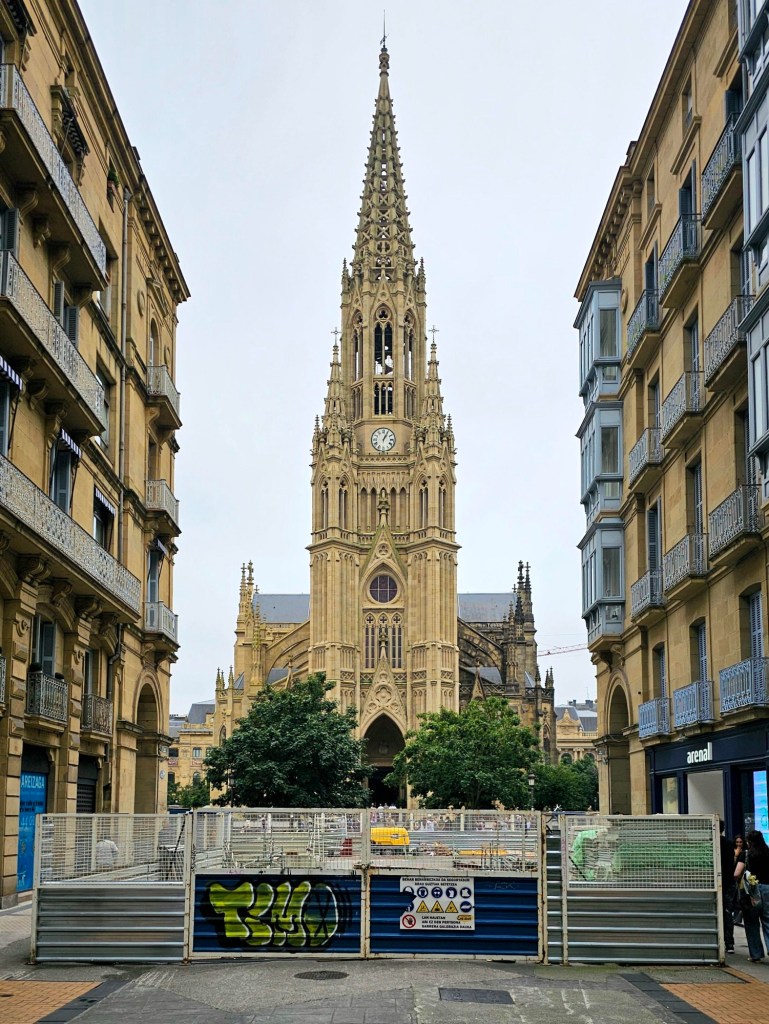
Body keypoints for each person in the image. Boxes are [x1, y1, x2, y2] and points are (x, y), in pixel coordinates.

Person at [735, 829, 769, 962]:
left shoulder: (746, 854)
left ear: (749, 842)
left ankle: (756, 954)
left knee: (751, 922)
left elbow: (737, 873)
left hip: (752, 891)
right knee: (767, 921)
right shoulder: (768, 852)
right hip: (767, 889)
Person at [718, 820, 735, 953]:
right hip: (728, 883)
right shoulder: (729, 843)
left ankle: (717, 940)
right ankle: (729, 943)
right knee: (728, 912)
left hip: (716, 882)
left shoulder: (712, 843)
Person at [733, 836, 745, 927]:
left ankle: (738, 918)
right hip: (734, 878)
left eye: (740, 842)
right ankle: (736, 918)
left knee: (740, 898)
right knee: (736, 898)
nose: (739, 844)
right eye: (737, 842)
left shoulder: (745, 853)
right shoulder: (733, 852)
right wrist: (736, 855)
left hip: (742, 879)